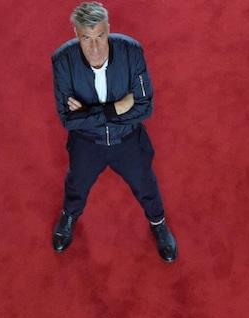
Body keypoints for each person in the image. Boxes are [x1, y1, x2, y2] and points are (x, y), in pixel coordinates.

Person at [50, 2, 177, 262]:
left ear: (109, 29)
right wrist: (116, 108)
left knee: (146, 184)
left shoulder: (132, 52)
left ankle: (158, 223)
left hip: (128, 140)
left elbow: (145, 108)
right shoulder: (62, 60)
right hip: (87, 144)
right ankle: (69, 216)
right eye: (86, 38)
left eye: (100, 36)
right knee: (76, 183)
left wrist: (88, 113)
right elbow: (67, 119)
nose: (94, 47)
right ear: (76, 34)